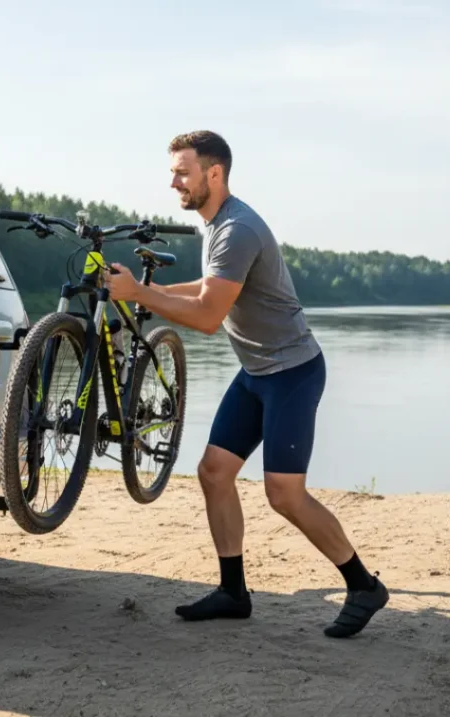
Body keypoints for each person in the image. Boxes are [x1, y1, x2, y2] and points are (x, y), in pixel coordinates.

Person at [104, 130, 389, 638]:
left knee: (285, 494)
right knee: (215, 472)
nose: (174, 182)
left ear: (214, 174)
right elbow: (211, 287)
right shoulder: (216, 226)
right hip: (257, 372)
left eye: (183, 172)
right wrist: (147, 293)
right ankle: (234, 592)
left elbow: (210, 315)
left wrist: (141, 292)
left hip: (292, 373)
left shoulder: (238, 229)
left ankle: (363, 584)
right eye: (173, 172)